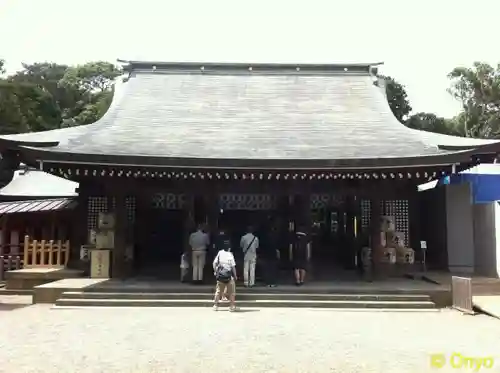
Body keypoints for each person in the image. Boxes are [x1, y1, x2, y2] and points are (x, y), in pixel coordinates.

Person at [212, 244, 238, 311]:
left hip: (221, 275)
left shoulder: (220, 252)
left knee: (218, 291)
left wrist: (215, 272)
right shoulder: (230, 254)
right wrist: (235, 276)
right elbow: (233, 267)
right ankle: (231, 306)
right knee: (231, 292)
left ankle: (215, 305)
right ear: (229, 248)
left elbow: (214, 263)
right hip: (228, 276)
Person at [260, 223, 280, 287]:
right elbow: (277, 248)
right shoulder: (275, 237)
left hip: (266, 255)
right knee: (273, 270)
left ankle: (268, 283)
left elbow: (262, 247)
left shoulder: (264, 238)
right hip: (273, 255)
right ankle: (273, 282)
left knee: (267, 270)